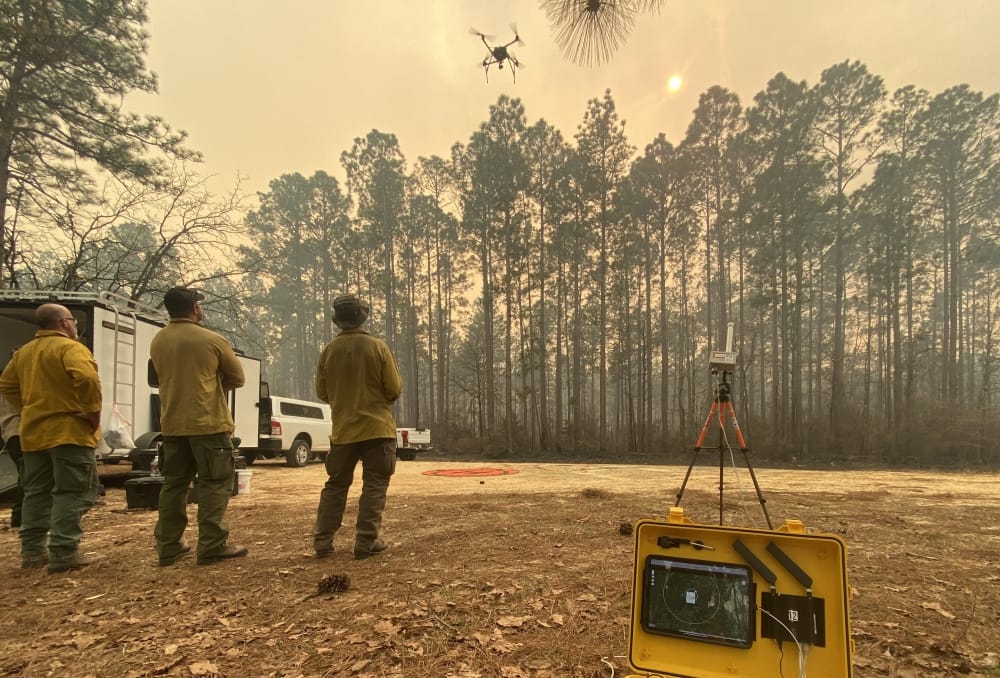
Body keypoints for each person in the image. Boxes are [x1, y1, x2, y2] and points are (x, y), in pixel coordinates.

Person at [149, 287, 248, 567]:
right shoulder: (210, 339)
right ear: (194, 308)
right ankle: (212, 545)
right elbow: (237, 377)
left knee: (174, 486)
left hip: (172, 425)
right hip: (208, 423)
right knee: (214, 484)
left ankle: (168, 547)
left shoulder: (159, 340)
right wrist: (213, 386)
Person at [0, 305, 102, 573]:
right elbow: (88, 377)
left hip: (33, 434)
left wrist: (29, 407)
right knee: (72, 491)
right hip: (69, 431)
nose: (74, 324)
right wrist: (92, 412)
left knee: (36, 493)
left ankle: (32, 552)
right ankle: (63, 550)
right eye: (72, 319)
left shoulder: (23, 353)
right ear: (63, 323)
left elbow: (7, 384)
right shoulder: (71, 349)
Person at [313, 294, 403, 560]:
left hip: (343, 431)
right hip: (377, 429)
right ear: (362, 316)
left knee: (335, 485)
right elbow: (394, 388)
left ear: (338, 320)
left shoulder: (329, 351)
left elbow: (322, 391)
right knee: (374, 485)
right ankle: (365, 543)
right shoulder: (377, 347)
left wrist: (344, 404)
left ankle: (322, 542)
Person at [0, 357, 23, 529]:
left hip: (11, 433)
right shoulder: (15, 385)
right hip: (19, 431)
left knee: (26, 473)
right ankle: (19, 515)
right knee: (28, 474)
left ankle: (20, 515)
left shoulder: (8, 383)